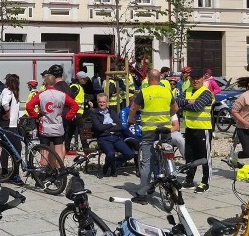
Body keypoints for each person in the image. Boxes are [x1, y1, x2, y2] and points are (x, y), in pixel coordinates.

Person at [130, 69, 177, 199]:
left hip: (149, 132)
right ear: (159, 79)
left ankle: (143, 194)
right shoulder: (167, 91)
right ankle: (172, 184)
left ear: (148, 78)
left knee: (147, 162)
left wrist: (131, 119)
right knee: (168, 155)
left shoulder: (144, 92)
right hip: (166, 130)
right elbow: (175, 108)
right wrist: (167, 116)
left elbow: (134, 108)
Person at [176, 68, 214, 192]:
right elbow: (176, 101)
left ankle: (205, 182)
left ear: (203, 79)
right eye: (193, 78)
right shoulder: (188, 91)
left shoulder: (206, 92)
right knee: (190, 156)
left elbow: (197, 107)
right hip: (190, 128)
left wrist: (185, 104)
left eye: (198, 78)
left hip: (203, 129)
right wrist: (188, 101)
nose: (195, 81)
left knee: (204, 157)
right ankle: (189, 180)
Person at [26, 73, 79, 162]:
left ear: (45, 83)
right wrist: (67, 117)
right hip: (58, 126)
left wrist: (36, 116)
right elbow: (75, 106)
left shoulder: (41, 95)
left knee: (45, 152)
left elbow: (28, 106)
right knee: (58, 150)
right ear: (55, 83)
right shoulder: (62, 95)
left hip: (45, 127)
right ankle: (60, 170)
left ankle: (44, 172)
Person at [90, 93, 135, 178]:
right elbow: (99, 128)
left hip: (116, 137)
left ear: (107, 102)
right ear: (97, 102)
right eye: (100, 102)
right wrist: (111, 124)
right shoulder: (94, 113)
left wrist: (106, 128)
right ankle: (107, 167)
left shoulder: (112, 112)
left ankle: (113, 164)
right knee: (110, 154)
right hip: (104, 138)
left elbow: (119, 126)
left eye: (104, 102)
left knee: (129, 154)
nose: (102, 104)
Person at [0, 74, 23, 184]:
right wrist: (7, 112)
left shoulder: (11, 92)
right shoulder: (8, 91)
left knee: (7, 149)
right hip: (8, 125)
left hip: (10, 124)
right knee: (16, 149)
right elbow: (5, 103)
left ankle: (5, 171)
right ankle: (15, 174)